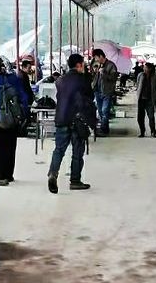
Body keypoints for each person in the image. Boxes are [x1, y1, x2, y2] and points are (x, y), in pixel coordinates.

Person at [48, 53, 97, 193]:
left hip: (62, 118)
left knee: (59, 150)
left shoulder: (60, 80)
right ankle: (75, 181)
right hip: (77, 119)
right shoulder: (83, 80)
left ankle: (53, 173)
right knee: (77, 151)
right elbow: (90, 97)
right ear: (79, 65)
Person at [0, 60, 29, 186]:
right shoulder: (13, 79)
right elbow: (24, 97)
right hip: (13, 118)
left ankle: (2, 176)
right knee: (10, 147)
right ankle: (9, 175)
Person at [92, 48, 118, 136]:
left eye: (96, 57)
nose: (96, 60)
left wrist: (104, 73)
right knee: (100, 111)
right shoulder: (99, 65)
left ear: (101, 56)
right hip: (98, 91)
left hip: (107, 92)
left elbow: (114, 78)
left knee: (104, 110)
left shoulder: (111, 65)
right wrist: (95, 72)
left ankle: (104, 129)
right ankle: (104, 128)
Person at [136, 62, 156, 138]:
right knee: (140, 117)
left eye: (146, 67)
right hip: (141, 99)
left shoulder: (154, 77)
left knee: (151, 117)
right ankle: (142, 131)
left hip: (150, 100)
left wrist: (155, 99)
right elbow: (138, 84)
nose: (144, 69)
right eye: (144, 67)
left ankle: (153, 131)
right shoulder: (140, 75)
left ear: (150, 69)